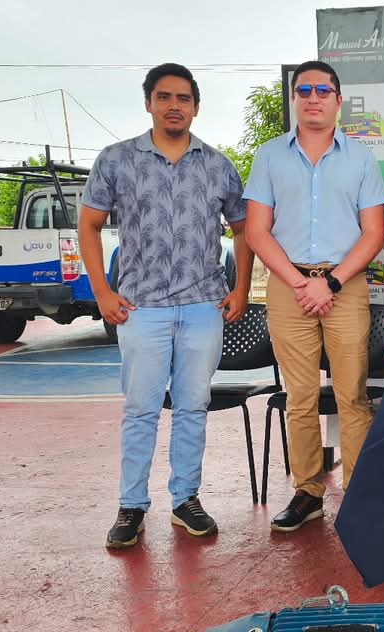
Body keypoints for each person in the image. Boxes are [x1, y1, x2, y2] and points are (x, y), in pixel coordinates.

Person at [80, 63, 252, 550]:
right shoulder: (116, 160)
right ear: (149, 103)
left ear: (196, 107)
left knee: (193, 406)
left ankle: (185, 499)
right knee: (141, 409)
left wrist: (240, 289)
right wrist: (102, 292)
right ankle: (131, 505)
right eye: (164, 97)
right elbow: (89, 225)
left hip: (203, 307)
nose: (174, 106)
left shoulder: (217, 165)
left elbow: (243, 229)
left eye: (183, 98)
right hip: (141, 308)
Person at [243, 60, 384, 532]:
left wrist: (330, 282)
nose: (313, 98)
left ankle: (361, 494)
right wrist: (300, 282)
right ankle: (308, 492)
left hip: (344, 286)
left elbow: (374, 234)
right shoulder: (269, 157)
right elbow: (257, 232)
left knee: (353, 396)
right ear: (294, 99)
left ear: (338, 100)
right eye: (303, 90)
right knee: (300, 397)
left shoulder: (361, 158)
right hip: (289, 290)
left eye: (323, 90)